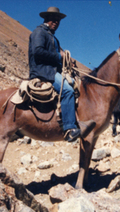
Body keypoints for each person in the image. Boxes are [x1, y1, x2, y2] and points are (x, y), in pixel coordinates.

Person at [28, 7, 94, 142]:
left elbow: (58, 57)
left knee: (77, 85)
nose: (56, 22)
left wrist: (69, 63)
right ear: (46, 19)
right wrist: (60, 56)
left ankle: (78, 121)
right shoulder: (39, 32)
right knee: (68, 91)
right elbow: (37, 52)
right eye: (53, 19)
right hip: (43, 71)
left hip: (52, 70)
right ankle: (69, 129)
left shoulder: (52, 37)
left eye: (58, 20)